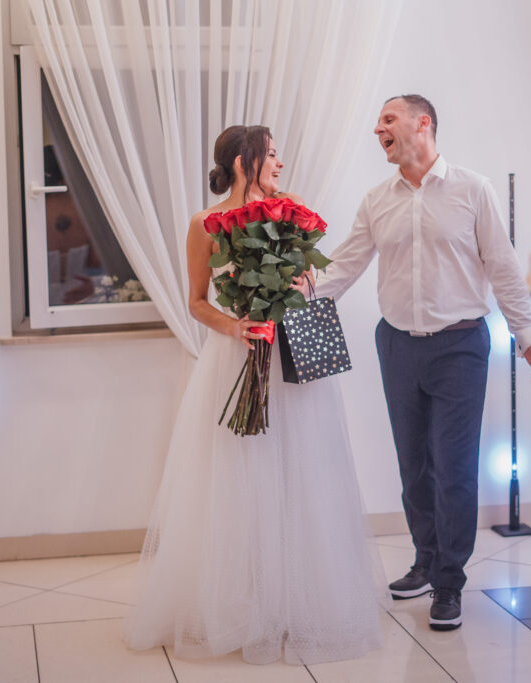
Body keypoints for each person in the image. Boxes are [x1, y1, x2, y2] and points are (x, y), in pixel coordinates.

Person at [124, 125, 384, 665]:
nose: (280, 164)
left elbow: (312, 281)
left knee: (300, 476)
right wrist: (236, 326)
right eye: (271, 155)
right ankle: (239, 607)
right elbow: (197, 301)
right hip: (236, 361)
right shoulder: (205, 223)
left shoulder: (293, 211)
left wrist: (299, 284)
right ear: (244, 162)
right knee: (238, 479)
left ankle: (297, 605)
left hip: (293, 362)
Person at [314, 95, 531, 631]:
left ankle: (449, 581)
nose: (377, 129)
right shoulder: (376, 200)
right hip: (396, 345)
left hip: (460, 346)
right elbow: (343, 267)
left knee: (454, 468)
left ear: (422, 123)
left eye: (388, 119)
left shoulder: (473, 189)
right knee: (414, 467)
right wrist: (287, 300)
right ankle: (425, 562)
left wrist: (527, 340)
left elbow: (503, 268)